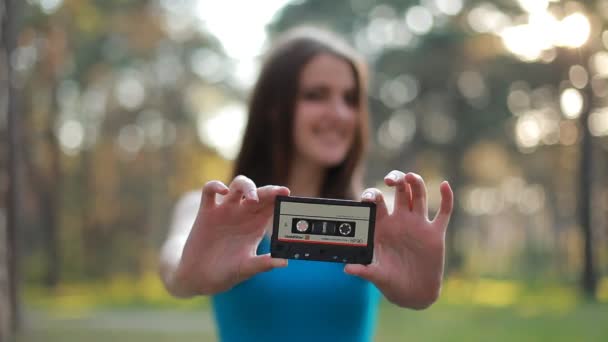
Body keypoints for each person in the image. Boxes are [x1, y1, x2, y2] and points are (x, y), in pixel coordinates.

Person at [159, 26, 454, 342]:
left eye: (350, 99)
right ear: (273, 108)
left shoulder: (383, 214)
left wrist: (421, 292)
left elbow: (416, 293)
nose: (339, 113)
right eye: (316, 95)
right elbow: (175, 268)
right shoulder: (210, 210)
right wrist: (187, 273)